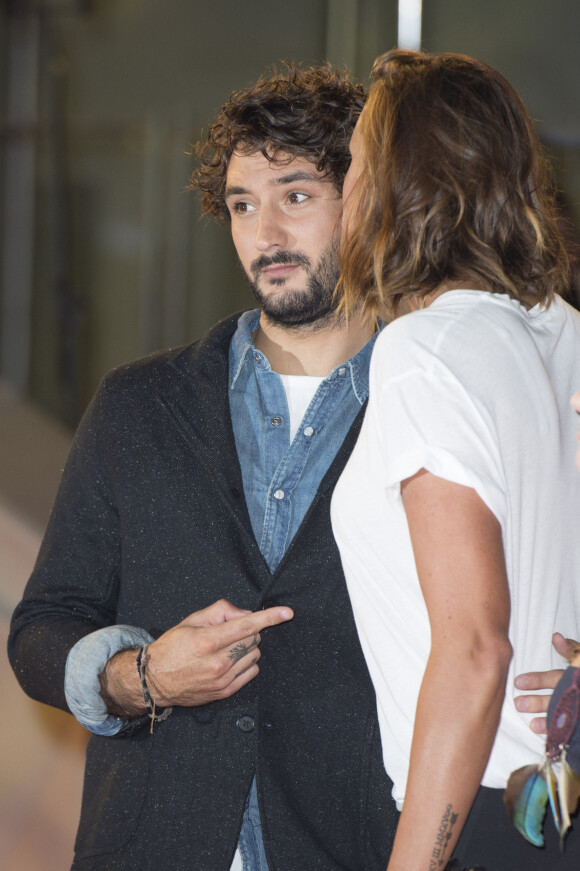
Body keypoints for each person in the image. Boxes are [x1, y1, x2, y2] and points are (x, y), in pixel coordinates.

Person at [8, 59, 559, 871]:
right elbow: (40, 628)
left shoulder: (434, 387)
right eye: (241, 206)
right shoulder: (137, 404)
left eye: (296, 197)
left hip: (364, 845)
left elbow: (513, 600)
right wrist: (142, 675)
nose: (264, 234)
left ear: (367, 193)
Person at [332, 49, 580, 870]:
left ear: (398, 187)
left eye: (358, 164)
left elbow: (475, 649)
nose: (346, 190)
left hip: (483, 816)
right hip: (549, 808)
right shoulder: (553, 334)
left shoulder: (426, 349)